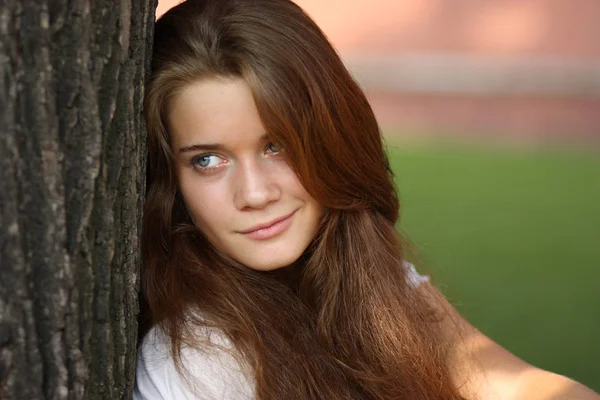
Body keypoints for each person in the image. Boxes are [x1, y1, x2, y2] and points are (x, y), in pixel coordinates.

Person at [134, 0, 599, 398]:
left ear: (332, 138)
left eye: (277, 145)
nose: (255, 193)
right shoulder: (194, 366)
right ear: (171, 182)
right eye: (208, 161)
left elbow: (512, 385)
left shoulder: (365, 274)